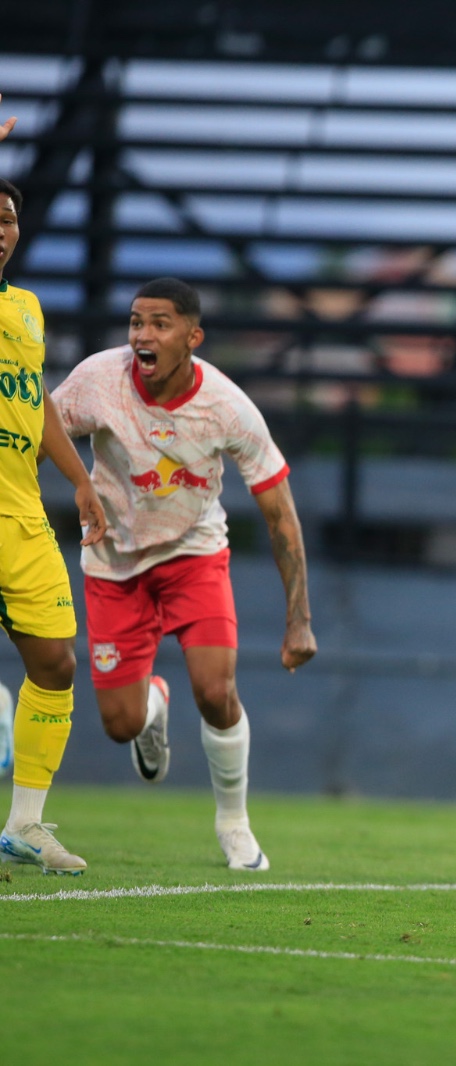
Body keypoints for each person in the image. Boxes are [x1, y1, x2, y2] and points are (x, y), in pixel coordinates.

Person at [53, 277, 317, 871]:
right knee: (120, 726)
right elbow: (40, 429)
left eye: (159, 324)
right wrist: (74, 483)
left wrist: (298, 621)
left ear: (192, 337)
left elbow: (280, 511)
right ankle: (152, 704)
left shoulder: (226, 406)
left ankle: (234, 825)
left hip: (193, 555)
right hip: (114, 564)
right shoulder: (99, 379)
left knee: (217, 690)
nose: (142, 336)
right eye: (135, 322)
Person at [0, 165, 111, 875]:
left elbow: (33, 400)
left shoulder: (29, 309)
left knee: (56, 662)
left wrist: (81, 482)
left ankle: (25, 824)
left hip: (20, 509)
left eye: (6, 220)